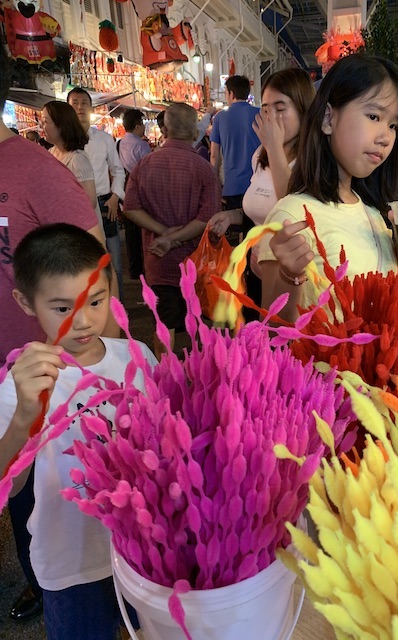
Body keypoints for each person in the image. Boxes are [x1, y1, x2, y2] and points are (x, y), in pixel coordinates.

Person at [0, 223, 157, 640]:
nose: (84, 321)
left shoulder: (137, 355)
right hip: (72, 564)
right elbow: (8, 483)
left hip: (143, 548)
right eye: (62, 308)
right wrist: (25, 417)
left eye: (96, 301)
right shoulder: (22, 384)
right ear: (26, 302)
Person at [0, 41, 109, 624]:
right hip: (18, 390)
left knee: (51, 482)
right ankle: (42, 576)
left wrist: (101, 347)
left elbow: (90, 269)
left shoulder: (38, 173)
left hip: (46, 376)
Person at [258, 54, 398, 323]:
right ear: (328, 119)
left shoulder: (373, 213)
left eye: (393, 125)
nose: (386, 137)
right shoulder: (291, 215)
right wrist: (290, 276)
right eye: (373, 116)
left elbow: (387, 297)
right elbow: (272, 328)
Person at [123, 102, 222, 357]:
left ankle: (163, 372)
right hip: (196, 263)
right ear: (195, 132)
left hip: (158, 261)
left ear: (164, 129)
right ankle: (199, 371)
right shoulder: (204, 169)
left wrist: (164, 233)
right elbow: (207, 218)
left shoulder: (144, 165)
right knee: (198, 324)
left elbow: (131, 208)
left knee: (163, 325)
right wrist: (174, 237)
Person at [209, 68, 316, 271]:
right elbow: (261, 212)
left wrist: (274, 148)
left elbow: (290, 209)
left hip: (293, 276)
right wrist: (233, 216)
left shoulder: (314, 162)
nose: (270, 118)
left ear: (304, 111)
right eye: (265, 109)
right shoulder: (260, 154)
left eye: (280, 109)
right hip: (257, 272)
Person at [67, 87, 126, 301]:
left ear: (91, 108)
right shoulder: (64, 143)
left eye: (84, 103)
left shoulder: (104, 139)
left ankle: (118, 308)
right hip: (76, 208)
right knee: (83, 264)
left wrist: (115, 197)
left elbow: (118, 170)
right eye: (75, 103)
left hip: (104, 204)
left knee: (114, 262)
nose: (80, 107)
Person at [41, 100, 104, 231]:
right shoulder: (52, 152)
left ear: (61, 125)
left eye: (45, 121)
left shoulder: (77, 159)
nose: (42, 126)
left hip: (80, 230)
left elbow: (89, 201)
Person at [210, 75, 260, 211]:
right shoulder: (260, 114)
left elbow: (214, 156)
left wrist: (214, 183)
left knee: (233, 220)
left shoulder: (219, 118)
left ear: (231, 94)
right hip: (258, 183)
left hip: (232, 185)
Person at [117, 109, 151, 279]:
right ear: (137, 126)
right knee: (145, 231)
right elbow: (149, 171)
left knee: (131, 234)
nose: (144, 127)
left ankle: (134, 269)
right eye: (143, 124)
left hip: (124, 191)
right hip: (141, 191)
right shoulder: (142, 145)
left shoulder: (119, 144)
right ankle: (147, 268)